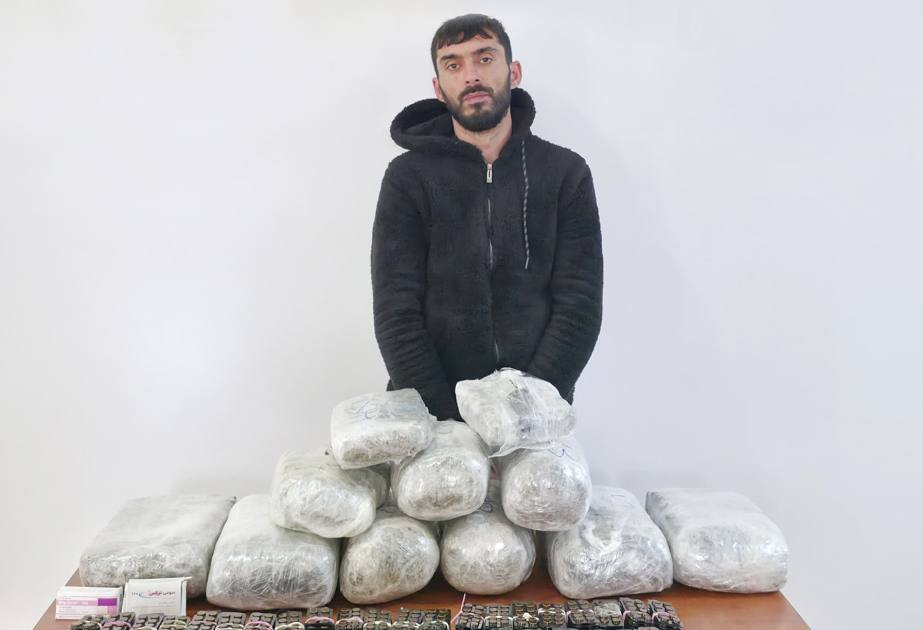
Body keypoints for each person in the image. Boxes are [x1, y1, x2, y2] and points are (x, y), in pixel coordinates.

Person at [371, 14, 603, 421]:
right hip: (432, 417)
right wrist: (447, 422)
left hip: (537, 414)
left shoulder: (566, 173)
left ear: (513, 72)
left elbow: (579, 305)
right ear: (438, 88)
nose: (471, 75)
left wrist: (524, 414)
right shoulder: (407, 178)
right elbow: (396, 312)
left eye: (485, 58)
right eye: (453, 64)